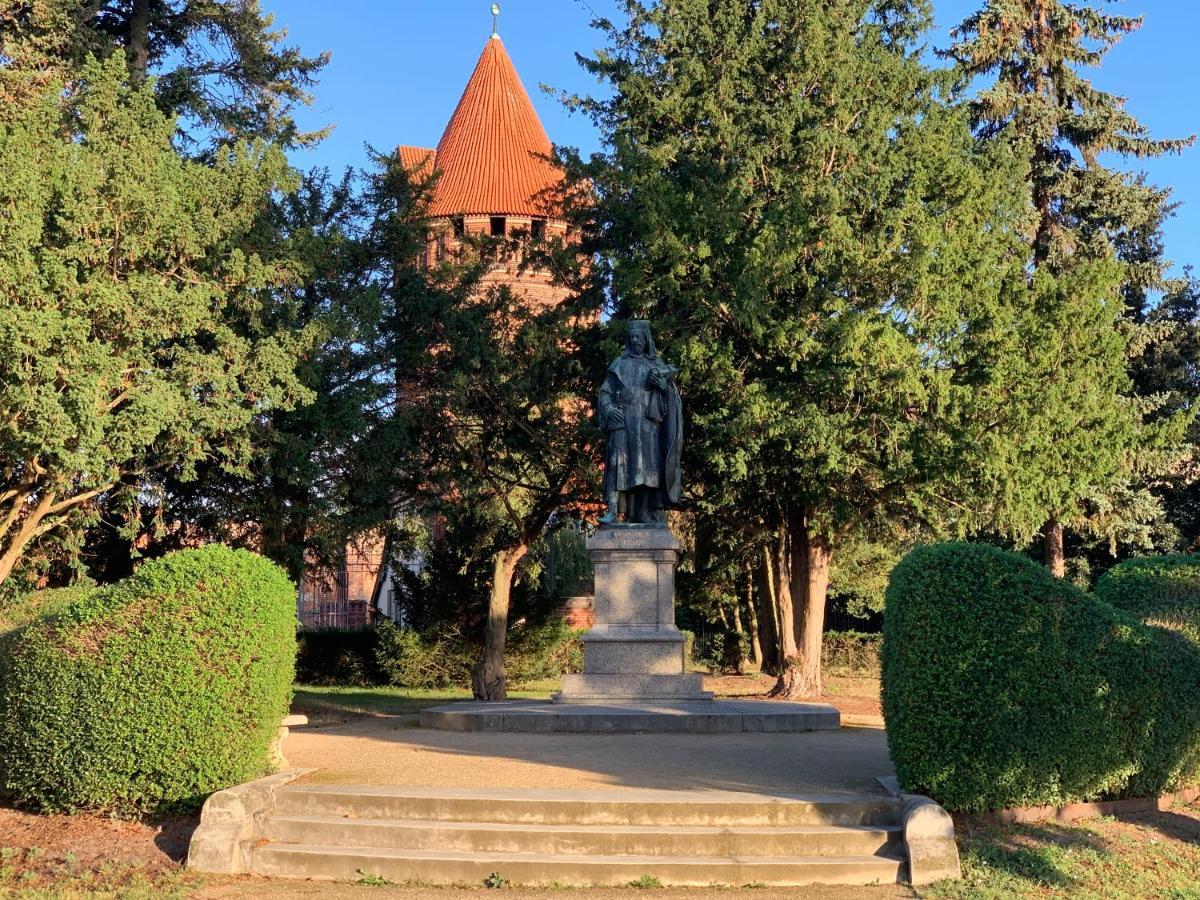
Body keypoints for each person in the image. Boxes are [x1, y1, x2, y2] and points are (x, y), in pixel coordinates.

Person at [598, 320, 683, 524]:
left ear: (646, 339)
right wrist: (608, 408)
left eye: (639, 336)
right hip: (622, 422)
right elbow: (605, 393)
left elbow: (669, 397)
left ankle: (644, 512)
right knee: (617, 465)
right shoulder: (619, 364)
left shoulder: (656, 364)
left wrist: (662, 386)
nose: (635, 340)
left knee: (646, 470)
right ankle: (612, 510)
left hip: (648, 424)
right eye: (632, 336)